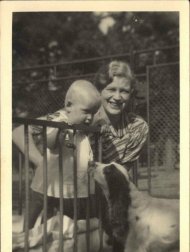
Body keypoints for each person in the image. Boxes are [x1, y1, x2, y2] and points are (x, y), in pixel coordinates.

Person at [12, 80, 101, 229]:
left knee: (50, 218)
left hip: (63, 184)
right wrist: (62, 133)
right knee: (35, 210)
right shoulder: (59, 120)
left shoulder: (82, 126)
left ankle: (44, 237)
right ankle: (25, 235)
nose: (89, 118)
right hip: (46, 180)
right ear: (68, 106)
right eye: (86, 112)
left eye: (93, 113)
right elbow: (51, 142)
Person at [92, 60, 148, 171]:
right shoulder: (84, 118)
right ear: (99, 90)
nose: (117, 97)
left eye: (124, 91)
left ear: (131, 93)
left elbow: (120, 174)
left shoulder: (137, 127)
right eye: (111, 89)